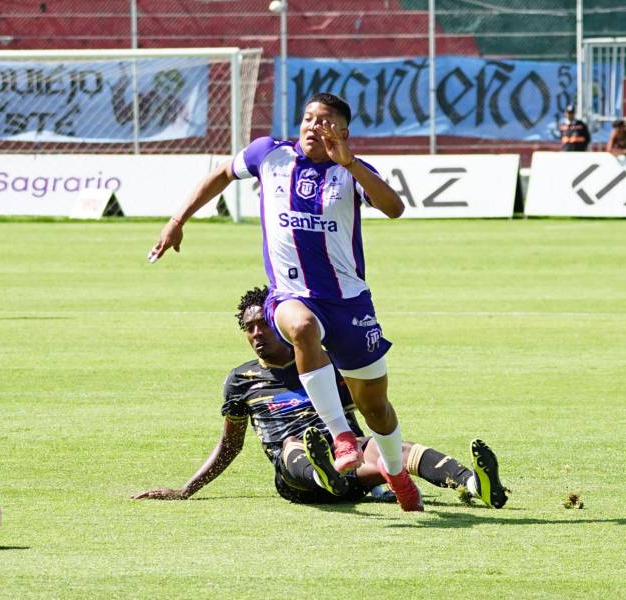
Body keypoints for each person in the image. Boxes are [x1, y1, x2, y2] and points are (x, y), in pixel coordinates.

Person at [149, 92, 423, 511]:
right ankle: (341, 437)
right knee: (301, 328)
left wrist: (349, 161)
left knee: (376, 409)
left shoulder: (351, 172)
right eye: (309, 118)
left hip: (350, 304)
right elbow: (222, 174)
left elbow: (395, 208)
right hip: (290, 296)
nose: (315, 125)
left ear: (343, 132)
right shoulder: (269, 154)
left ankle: (396, 474)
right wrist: (177, 220)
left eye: (326, 120)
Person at [132, 286, 508, 509]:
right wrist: (186, 489)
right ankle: (322, 473)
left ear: (282, 323)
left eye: (265, 323)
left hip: (351, 466)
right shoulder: (242, 379)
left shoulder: (324, 361)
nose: (258, 333)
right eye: (250, 328)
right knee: (295, 444)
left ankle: (476, 485)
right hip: (294, 478)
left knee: (385, 448)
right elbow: (230, 445)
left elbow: (370, 403)